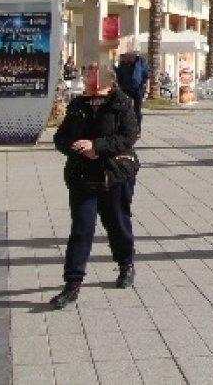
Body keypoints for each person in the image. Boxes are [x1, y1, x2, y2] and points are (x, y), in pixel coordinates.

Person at [49, 63, 139, 309]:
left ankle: (125, 265)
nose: (87, 77)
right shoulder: (78, 105)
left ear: (107, 80)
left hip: (114, 174)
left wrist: (97, 147)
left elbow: (129, 137)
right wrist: (76, 147)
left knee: (117, 223)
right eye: (86, 73)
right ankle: (72, 284)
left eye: (92, 73)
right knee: (81, 229)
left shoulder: (121, 103)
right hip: (82, 176)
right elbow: (60, 138)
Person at [116, 46, 150, 134]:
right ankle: (124, 128)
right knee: (124, 108)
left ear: (134, 55)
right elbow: (118, 76)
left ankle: (138, 129)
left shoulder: (141, 62)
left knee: (137, 110)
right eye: (126, 55)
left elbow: (147, 76)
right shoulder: (123, 63)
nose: (127, 57)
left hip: (138, 89)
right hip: (125, 89)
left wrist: (147, 88)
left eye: (129, 55)